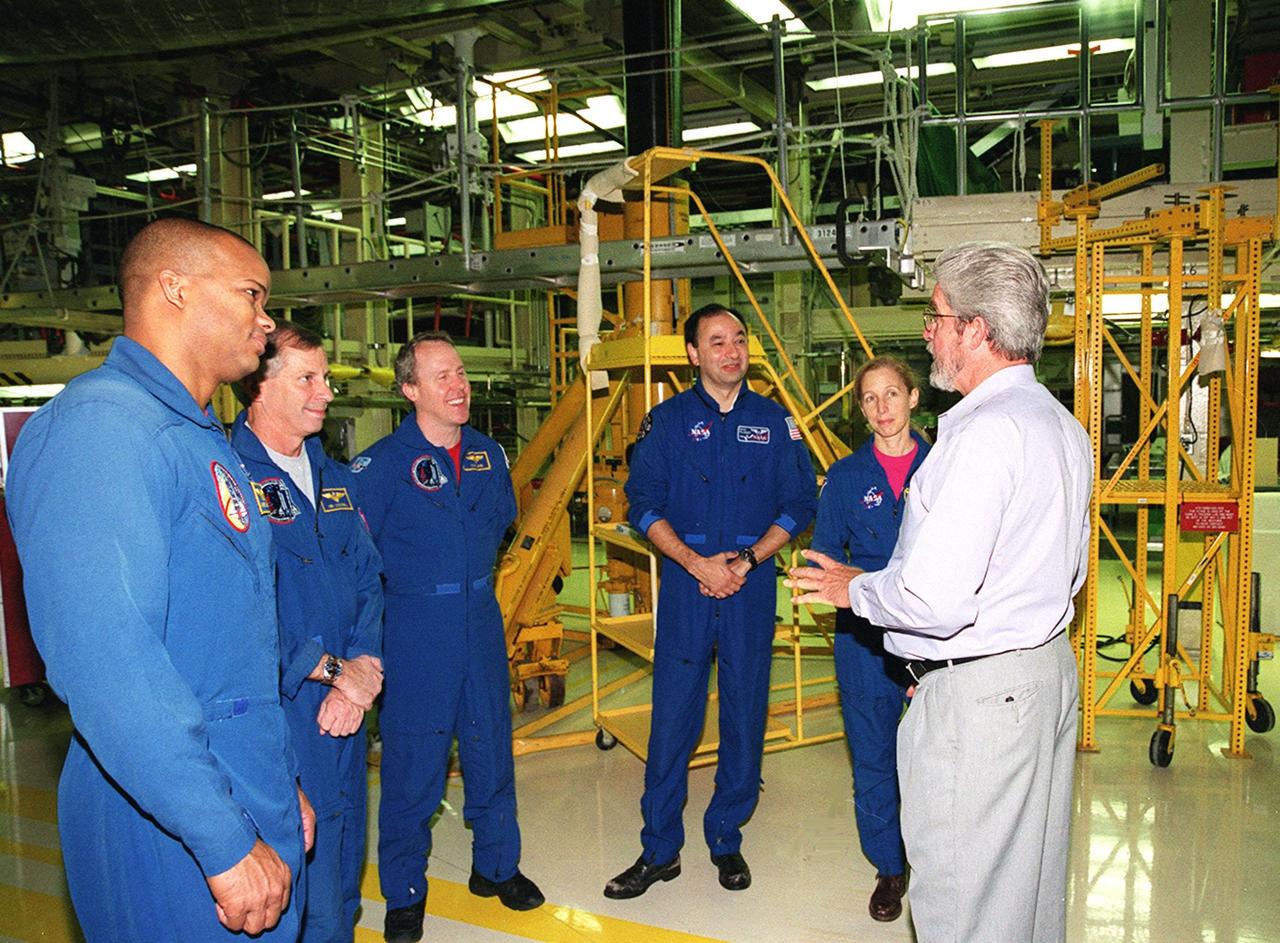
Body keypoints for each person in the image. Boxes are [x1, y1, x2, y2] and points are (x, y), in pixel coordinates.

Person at [6, 218, 313, 941]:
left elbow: (231, 647)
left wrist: (277, 776)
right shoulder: (103, 429)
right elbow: (110, 664)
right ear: (174, 289)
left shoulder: (195, 435)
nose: (267, 321)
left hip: (233, 783)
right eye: (251, 294)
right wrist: (224, 838)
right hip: (164, 811)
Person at [789, 241, 1092, 943]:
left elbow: (934, 599)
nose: (929, 330)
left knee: (964, 902)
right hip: (1042, 673)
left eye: (937, 316)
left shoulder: (981, 435)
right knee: (1027, 886)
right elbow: (1071, 575)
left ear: (975, 331)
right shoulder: (1060, 425)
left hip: (984, 702)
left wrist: (854, 587)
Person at [604, 304, 816, 900]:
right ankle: (659, 850)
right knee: (672, 721)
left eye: (739, 339)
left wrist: (747, 561)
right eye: (716, 342)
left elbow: (800, 504)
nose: (731, 351)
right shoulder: (665, 423)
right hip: (687, 588)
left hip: (749, 589)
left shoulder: (776, 422)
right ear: (693, 355)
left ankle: (726, 837)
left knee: (745, 717)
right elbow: (641, 503)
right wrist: (697, 563)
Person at [348, 331, 543, 943]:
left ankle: (497, 867)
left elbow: (499, 521)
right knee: (413, 762)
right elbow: (358, 558)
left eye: (461, 373)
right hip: (415, 629)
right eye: (442, 377)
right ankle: (405, 892)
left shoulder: (488, 455)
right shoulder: (380, 467)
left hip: (482, 621)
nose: (458, 385)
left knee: (490, 747)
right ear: (411, 390)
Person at [231, 321, 385, 943]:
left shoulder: (337, 481)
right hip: (282, 711)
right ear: (258, 388)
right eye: (307, 378)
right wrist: (328, 672)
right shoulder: (230, 480)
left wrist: (364, 668)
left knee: (344, 862)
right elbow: (239, 617)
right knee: (297, 874)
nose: (325, 392)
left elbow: (371, 582)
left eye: (325, 378)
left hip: (347, 705)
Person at [809, 355, 929, 923]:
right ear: (861, 410)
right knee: (875, 754)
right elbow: (828, 558)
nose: (882, 408)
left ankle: (935, 856)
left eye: (892, 394)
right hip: (864, 635)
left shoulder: (948, 465)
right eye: (870, 399)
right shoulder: (846, 477)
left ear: (913, 398)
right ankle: (889, 866)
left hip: (935, 632)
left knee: (937, 756)